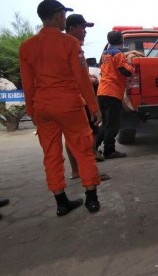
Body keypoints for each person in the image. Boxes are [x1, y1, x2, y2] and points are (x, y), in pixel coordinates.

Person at [19, 0, 102, 216]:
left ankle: (61, 202)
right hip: (69, 106)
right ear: (57, 16)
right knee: (83, 149)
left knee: (51, 154)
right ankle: (91, 197)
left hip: (43, 107)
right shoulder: (70, 44)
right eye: (64, 15)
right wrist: (94, 107)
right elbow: (83, 79)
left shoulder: (27, 46)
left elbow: (27, 84)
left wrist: (32, 110)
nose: (65, 18)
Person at [65, 13, 111, 181]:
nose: (85, 31)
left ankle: (76, 171)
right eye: (82, 27)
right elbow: (82, 80)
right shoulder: (73, 47)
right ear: (71, 28)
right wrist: (94, 107)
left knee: (71, 137)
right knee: (88, 135)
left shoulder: (60, 45)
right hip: (77, 99)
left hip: (64, 100)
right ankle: (90, 174)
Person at [96, 31, 134, 159]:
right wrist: (131, 64)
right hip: (112, 93)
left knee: (106, 123)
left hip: (102, 92)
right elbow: (126, 71)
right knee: (113, 125)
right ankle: (109, 150)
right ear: (121, 41)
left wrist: (126, 55)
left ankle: (93, 147)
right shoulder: (117, 54)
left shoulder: (106, 54)